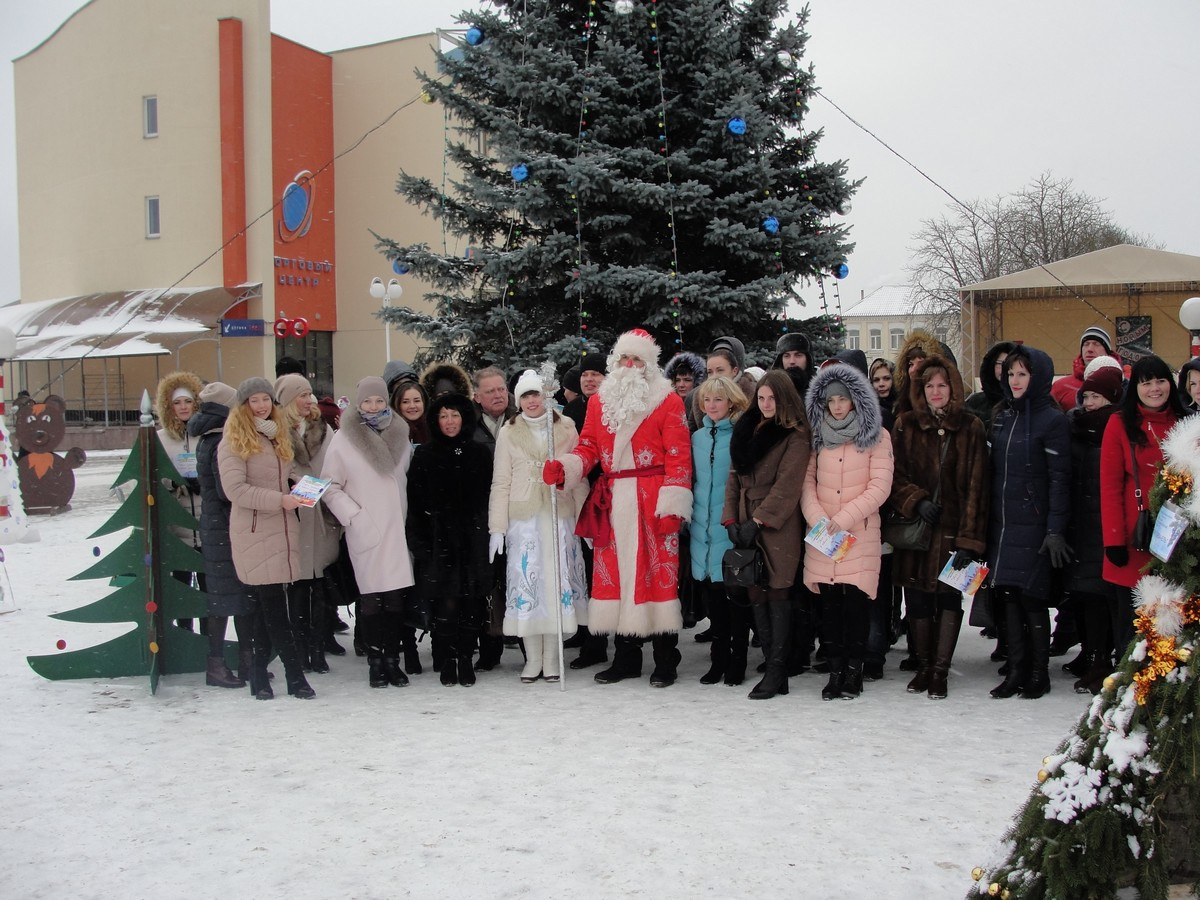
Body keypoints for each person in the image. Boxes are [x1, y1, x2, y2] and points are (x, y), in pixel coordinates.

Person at [543, 328, 693, 687]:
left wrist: (673, 504)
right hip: (613, 500)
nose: (629, 365)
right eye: (624, 358)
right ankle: (626, 658)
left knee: (657, 576)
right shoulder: (600, 402)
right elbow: (589, 447)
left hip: (652, 499)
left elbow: (679, 456)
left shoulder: (668, 401)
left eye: (637, 359)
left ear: (648, 364)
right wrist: (566, 467)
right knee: (620, 577)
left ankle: (665, 659)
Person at [888, 355, 989, 699]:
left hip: (953, 531)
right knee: (916, 599)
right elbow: (893, 475)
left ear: (953, 388)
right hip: (916, 530)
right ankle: (924, 665)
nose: (935, 391)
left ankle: (940, 671)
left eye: (942, 385)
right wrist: (916, 500)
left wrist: (969, 540)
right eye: (929, 385)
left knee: (948, 598)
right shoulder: (905, 425)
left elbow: (977, 487)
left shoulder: (971, 427)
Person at [488, 369, 589, 683]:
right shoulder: (509, 432)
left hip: (560, 516)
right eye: (526, 396)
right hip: (525, 520)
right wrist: (497, 528)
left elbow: (579, 475)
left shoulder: (566, 427)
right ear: (519, 400)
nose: (532, 401)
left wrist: (585, 520)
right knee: (529, 587)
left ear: (546, 396)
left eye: (536, 394)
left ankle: (552, 658)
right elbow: (501, 482)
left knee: (555, 586)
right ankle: (532, 659)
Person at [217, 377, 314, 700]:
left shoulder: (276, 434)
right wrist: (279, 500)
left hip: (281, 530)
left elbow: (283, 473)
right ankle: (295, 676)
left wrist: (299, 484)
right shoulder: (233, 439)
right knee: (275, 609)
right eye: (254, 400)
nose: (261, 406)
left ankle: (258, 674)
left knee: (265, 609)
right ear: (243, 405)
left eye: (266, 399)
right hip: (255, 531)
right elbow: (235, 490)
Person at [802, 363, 893, 700]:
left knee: (855, 607)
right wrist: (818, 518)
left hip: (858, 534)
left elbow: (880, 487)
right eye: (831, 400)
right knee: (829, 609)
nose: (837, 406)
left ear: (855, 399)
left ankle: (854, 671)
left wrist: (842, 518)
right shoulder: (818, 437)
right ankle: (835, 670)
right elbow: (806, 483)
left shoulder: (877, 436)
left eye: (842, 399)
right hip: (824, 536)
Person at [986, 346, 1071, 700]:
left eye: (1022, 373)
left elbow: (1060, 480)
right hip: (1004, 524)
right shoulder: (1005, 416)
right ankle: (1016, 669)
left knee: (1032, 598)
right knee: (1008, 597)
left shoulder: (1052, 420)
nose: (1015, 380)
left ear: (1038, 377)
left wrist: (1054, 529)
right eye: (1011, 374)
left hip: (1034, 525)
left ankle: (1038, 672)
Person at [322, 376, 417, 689]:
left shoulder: (400, 433)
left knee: (395, 599)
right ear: (358, 403)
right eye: (367, 401)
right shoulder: (344, 439)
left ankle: (392, 660)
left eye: (379, 400)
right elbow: (330, 487)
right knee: (372, 600)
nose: (373, 406)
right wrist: (354, 516)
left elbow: (407, 478)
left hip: (397, 529)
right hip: (367, 529)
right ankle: (375, 661)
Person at [723, 370, 810, 699]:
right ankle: (773, 667)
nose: (766, 404)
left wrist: (758, 521)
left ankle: (777, 669)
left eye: (772, 398)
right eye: (761, 398)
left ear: (784, 399)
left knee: (778, 592)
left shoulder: (795, 434)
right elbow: (734, 477)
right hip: (745, 516)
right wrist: (731, 519)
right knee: (755, 590)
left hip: (778, 524)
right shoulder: (746, 428)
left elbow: (788, 485)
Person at [1100, 355, 1187, 658]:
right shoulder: (1119, 423)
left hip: (1177, 540)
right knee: (1132, 630)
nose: (1154, 389)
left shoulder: (1185, 422)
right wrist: (1113, 540)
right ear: (1134, 387)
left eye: (1160, 380)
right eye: (1146, 382)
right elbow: (1109, 485)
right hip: (1134, 538)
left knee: (1174, 624)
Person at [408, 392, 494, 687]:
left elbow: (489, 497)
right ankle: (447, 659)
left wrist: (488, 535)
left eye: (455, 415)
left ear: (464, 418)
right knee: (446, 605)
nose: (449, 421)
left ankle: (466, 657)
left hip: (474, 541)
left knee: (472, 605)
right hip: (438, 542)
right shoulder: (425, 455)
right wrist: (421, 544)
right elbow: (415, 503)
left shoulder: (479, 453)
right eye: (443, 416)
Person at [187, 381, 253, 689]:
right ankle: (218, 664)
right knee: (228, 599)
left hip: (217, 528)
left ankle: (245, 660)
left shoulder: (209, 438)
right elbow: (227, 491)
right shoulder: (220, 442)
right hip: (225, 529)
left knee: (235, 597)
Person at [275, 373, 341, 675]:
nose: (308, 399)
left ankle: (318, 646)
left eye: (309, 393)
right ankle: (300, 649)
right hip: (294, 519)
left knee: (321, 586)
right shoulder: (276, 432)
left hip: (323, 518)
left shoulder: (323, 429)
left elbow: (336, 466)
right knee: (298, 588)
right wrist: (298, 484)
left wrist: (321, 488)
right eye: (302, 395)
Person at [1065, 365, 1123, 694]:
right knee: (1084, 595)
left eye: (1096, 397)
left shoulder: (1117, 427)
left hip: (1106, 524)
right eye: (1086, 396)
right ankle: (1091, 656)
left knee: (1104, 597)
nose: (1089, 403)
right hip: (1081, 524)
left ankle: (1104, 660)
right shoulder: (1076, 428)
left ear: (1112, 398)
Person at [690, 376, 750, 686]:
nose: (712, 405)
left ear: (731, 402)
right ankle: (719, 659)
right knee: (714, 598)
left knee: (736, 598)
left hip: (731, 527)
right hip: (702, 528)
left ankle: (738, 661)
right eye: (707, 400)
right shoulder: (697, 438)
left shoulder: (742, 434)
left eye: (718, 399)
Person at [155, 371, 206, 634]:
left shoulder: (206, 435)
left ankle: (211, 642)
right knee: (182, 587)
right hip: (178, 526)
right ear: (168, 406)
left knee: (210, 589)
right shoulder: (161, 439)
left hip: (207, 523)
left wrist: (205, 482)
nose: (183, 407)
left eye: (188, 401)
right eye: (177, 403)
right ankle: (185, 634)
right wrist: (175, 484)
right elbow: (153, 478)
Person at [1050, 326, 1119, 412]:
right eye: (1086, 344)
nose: (1089, 349)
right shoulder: (1060, 386)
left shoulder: (1123, 383)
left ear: (1107, 351)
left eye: (1096, 344)